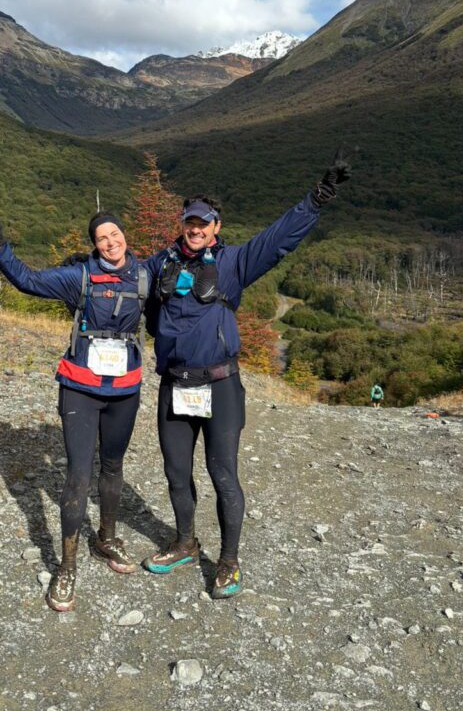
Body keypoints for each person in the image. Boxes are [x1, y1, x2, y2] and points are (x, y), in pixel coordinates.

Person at [141, 152, 351, 599]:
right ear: (182, 224)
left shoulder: (233, 263)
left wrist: (316, 200)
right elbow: (122, 279)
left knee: (223, 474)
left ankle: (229, 561)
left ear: (216, 226)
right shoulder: (160, 263)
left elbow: (277, 240)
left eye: (204, 223)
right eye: (190, 222)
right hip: (174, 384)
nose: (196, 229)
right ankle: (185, 542)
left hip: (219, 385)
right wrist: (87, 268)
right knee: (176, 472)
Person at [0, 205, 151, 613]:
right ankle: (67, 567)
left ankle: (105, 539)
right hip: (80, 388)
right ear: (94, 245)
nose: (111, 242)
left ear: (125, 235)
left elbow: (181, 272)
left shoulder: (145, 274)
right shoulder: (78, 276)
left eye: (115, 234)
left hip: (125, 390)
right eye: (102, 238)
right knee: (78, 475)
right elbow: (28, 280)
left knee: (113, 467)